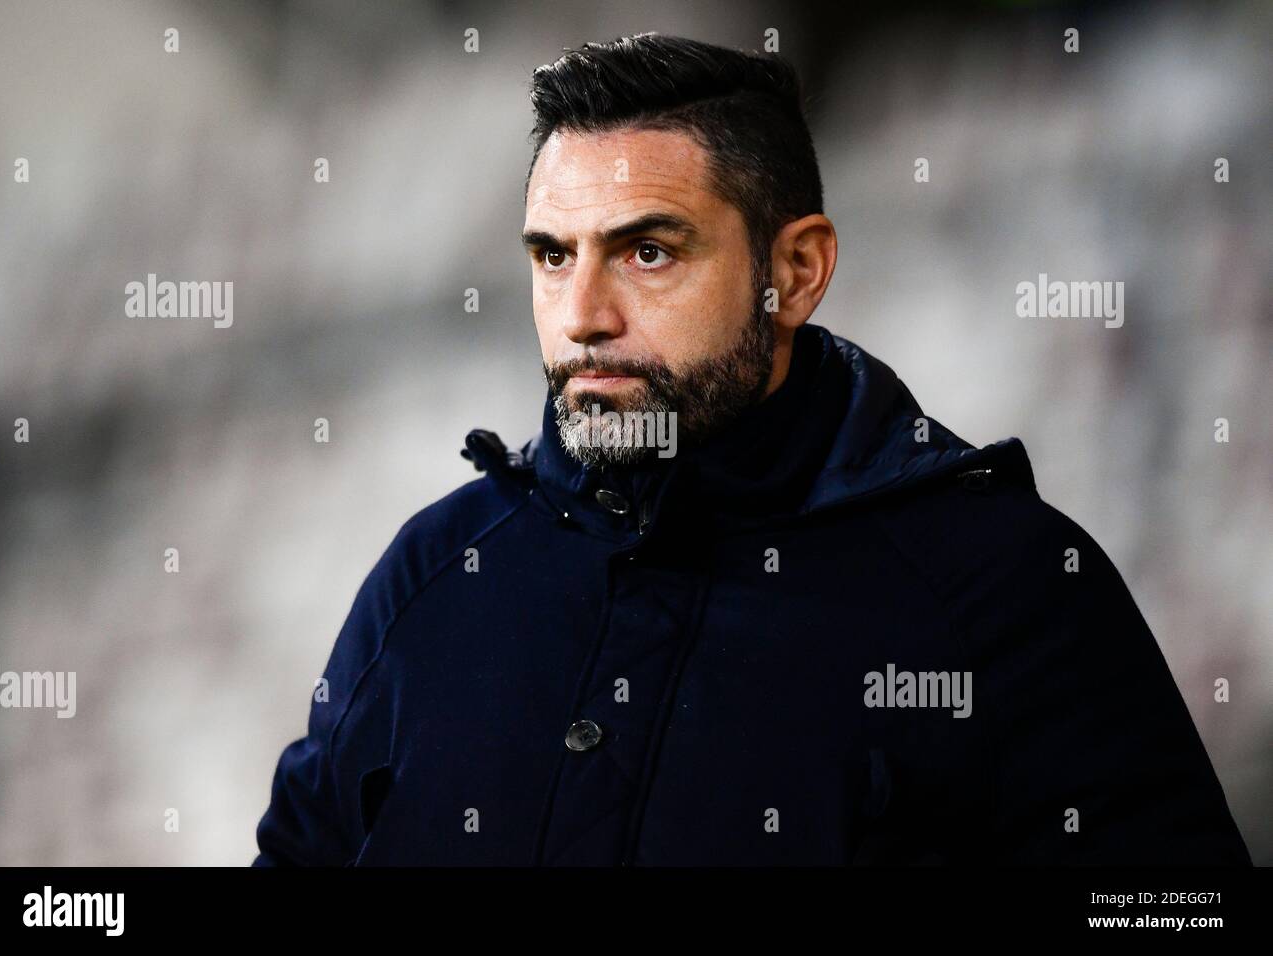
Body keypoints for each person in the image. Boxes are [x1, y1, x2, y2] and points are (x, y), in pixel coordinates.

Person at [252, 33, 1251, 866]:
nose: (584, 316)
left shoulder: (1008, 587)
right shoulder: (434, 569)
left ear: (797, 270)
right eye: (553, 256)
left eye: (648, 251)